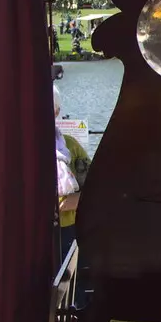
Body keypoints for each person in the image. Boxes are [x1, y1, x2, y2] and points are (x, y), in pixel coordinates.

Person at [53, 89, 90, 259]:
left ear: (57, 111)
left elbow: (97, 185)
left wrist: (79, 198)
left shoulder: (71, 145)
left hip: (68, 228)